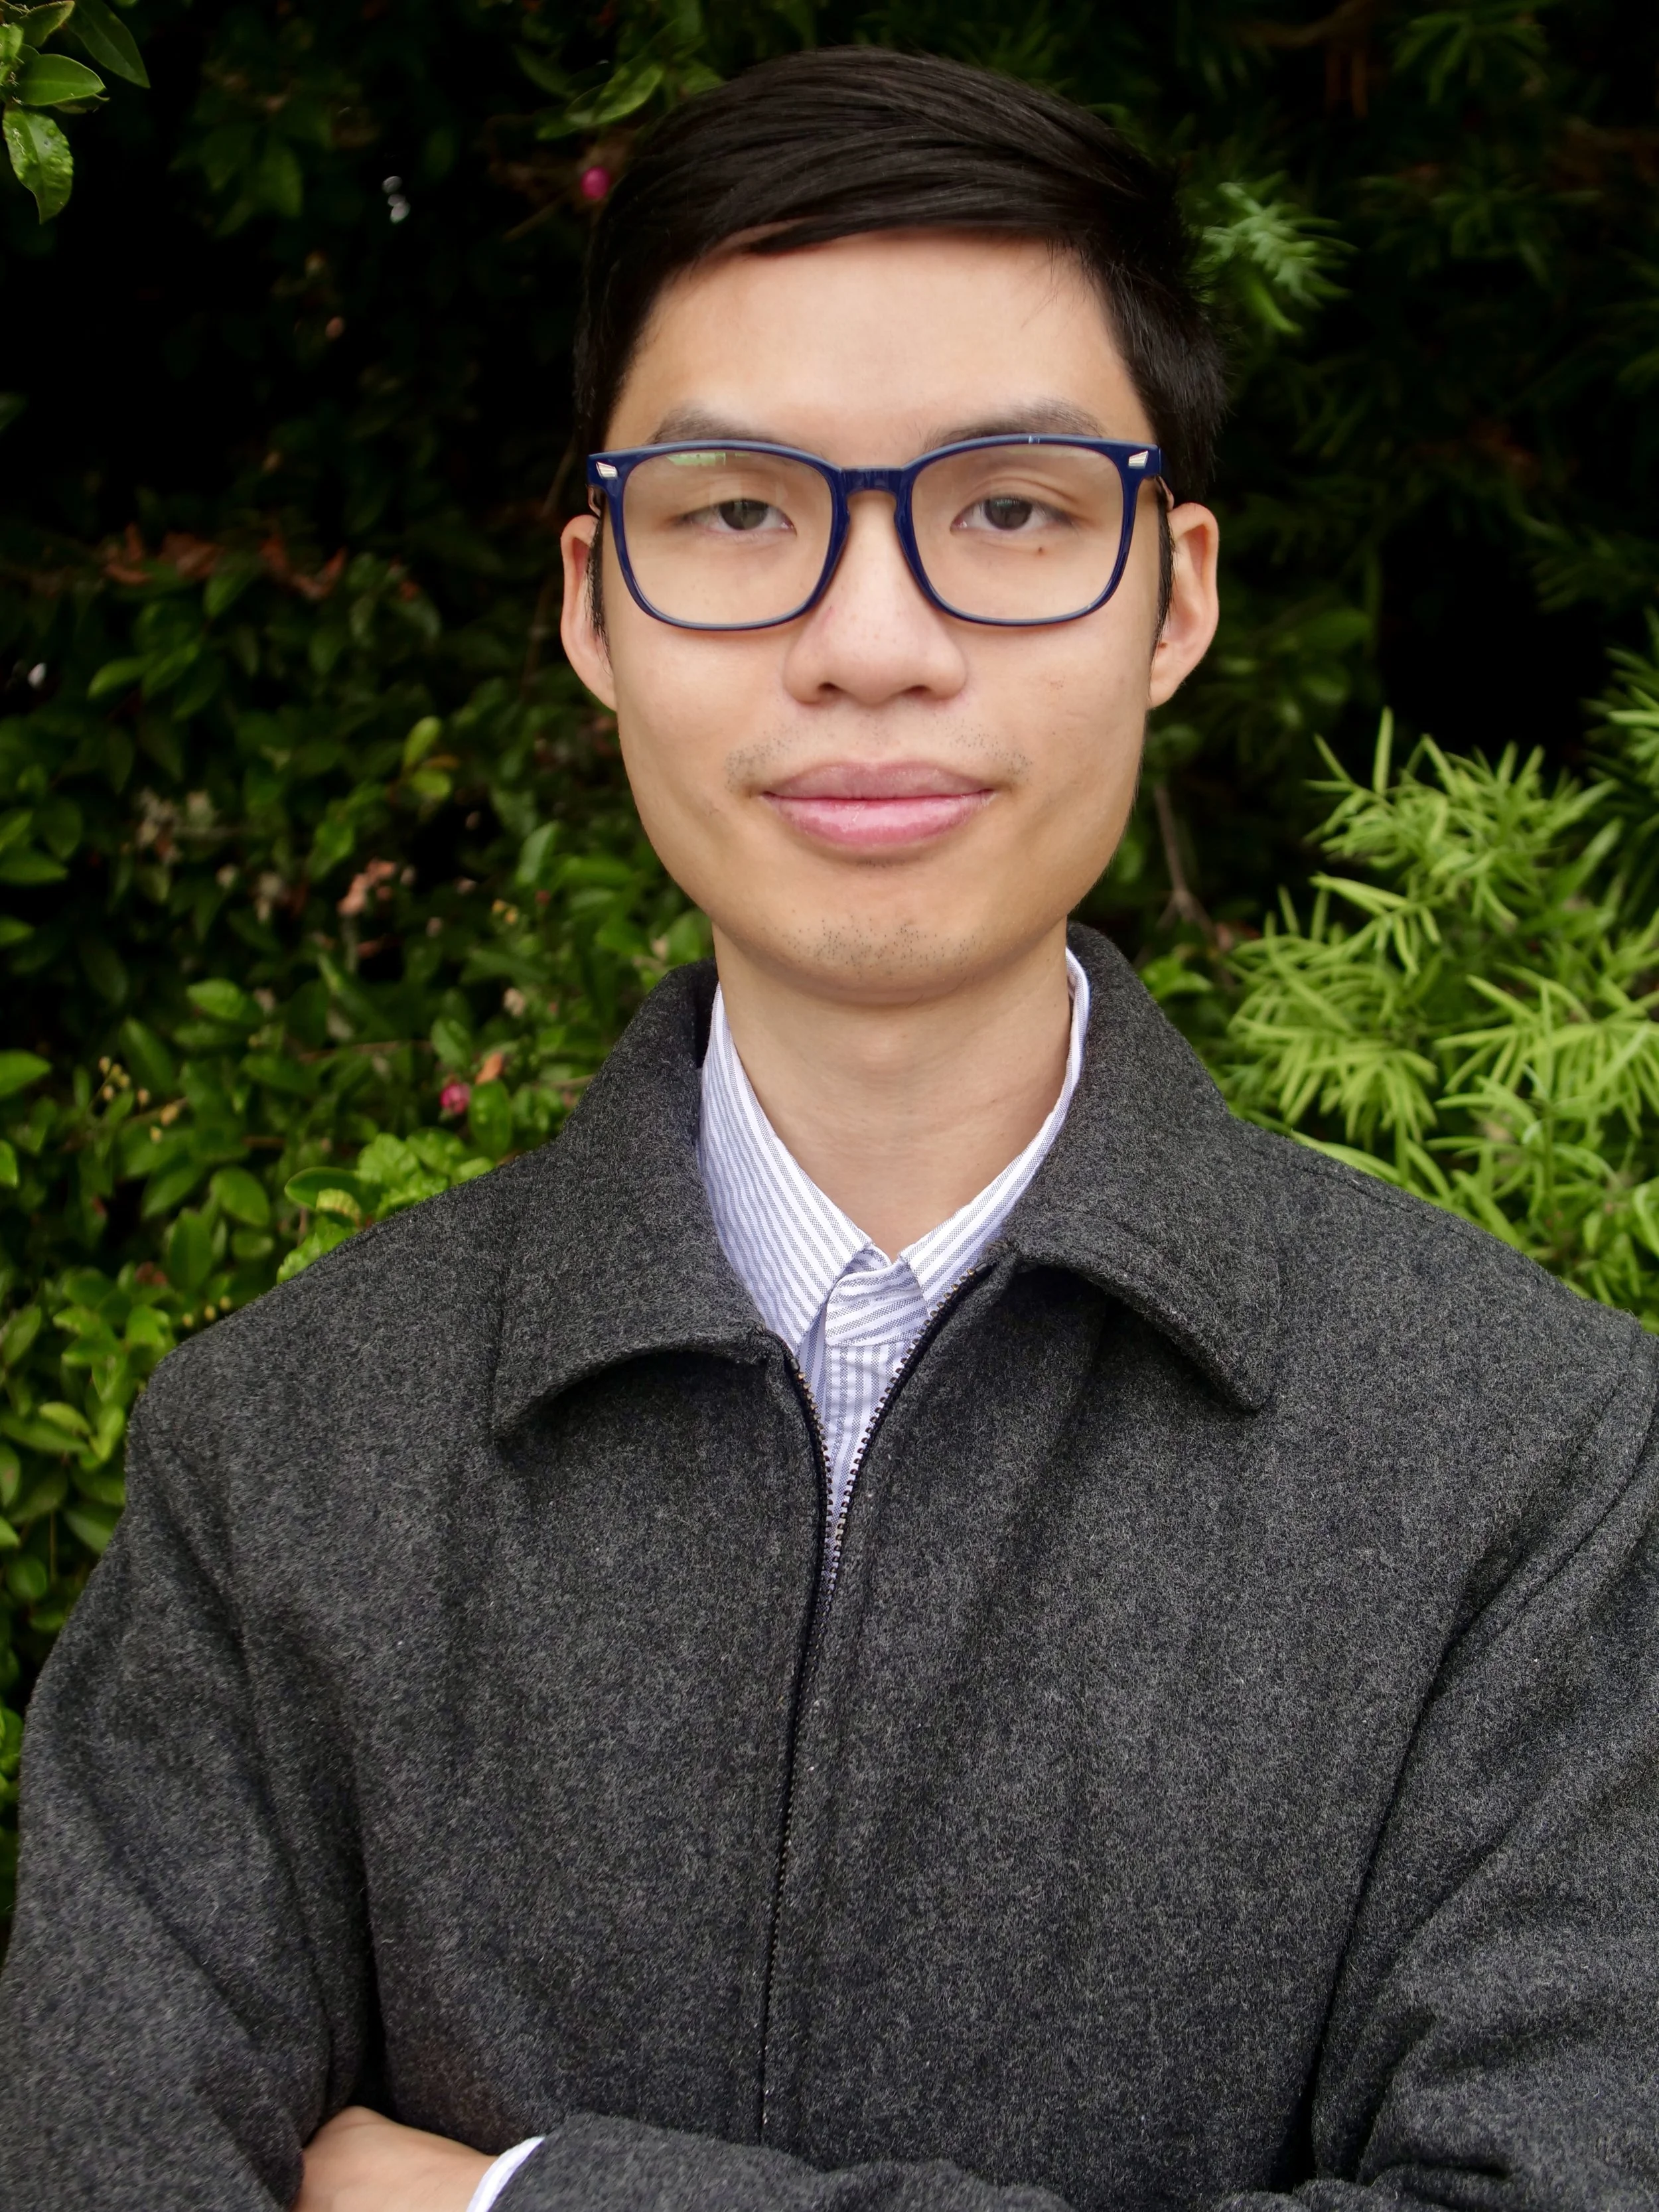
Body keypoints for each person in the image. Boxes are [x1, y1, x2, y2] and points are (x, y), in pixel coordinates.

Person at [1, 43, 1656, 2212]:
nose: (870, 643)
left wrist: (511, 2203)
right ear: (593, 601)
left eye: (1009, 512)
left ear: (1173, 597)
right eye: (737, 516)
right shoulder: (281, 1458)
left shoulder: (1527, 1466)